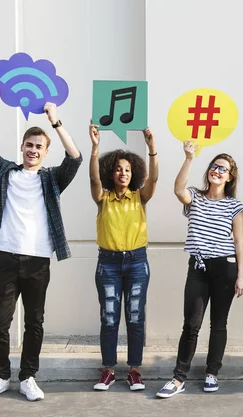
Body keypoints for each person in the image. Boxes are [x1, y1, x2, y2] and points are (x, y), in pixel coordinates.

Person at [0, 82, 82, 401]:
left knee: (34, 322)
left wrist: (55, 122)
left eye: (39, 146)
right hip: (6, 257)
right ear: (22, 147)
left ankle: (28, 377)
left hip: (38, 261)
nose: (33, 150)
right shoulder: (6, 173)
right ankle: (0, 376)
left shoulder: (51, 180)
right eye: (29, 145)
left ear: (45, 152)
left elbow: (75, 158)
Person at [156, 140, 243, 398]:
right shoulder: (194, 196)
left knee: (219, 323)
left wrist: (242, 275)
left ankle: (212, 373)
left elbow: (239, 242)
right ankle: (178, 378)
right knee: (191, 324)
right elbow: (178, 189)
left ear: (230, 177)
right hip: (198, 267)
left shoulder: (235, 206)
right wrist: (189, 158)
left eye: (224, 169)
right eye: (215, 166)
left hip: (225, 268)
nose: (217, 171)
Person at [88, 121, 158, 391]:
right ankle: (107, 370)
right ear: (111, 172)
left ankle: (134, 370)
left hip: (137, 262)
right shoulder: (102, 198)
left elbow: (154, 180)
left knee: (135, 316)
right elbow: (93, 179)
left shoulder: (139, 197)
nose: (123, 173)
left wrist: (152, 149)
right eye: (118, 168)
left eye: (127, 169)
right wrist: (95, 149)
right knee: (109, 317)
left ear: (133, 173)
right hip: (108, 264)